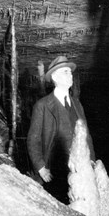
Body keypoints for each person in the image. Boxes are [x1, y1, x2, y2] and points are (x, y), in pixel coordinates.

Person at [27, 56, 94, 203]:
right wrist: (40, 167)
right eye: (65, 72)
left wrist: (92, 161)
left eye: (70, 72)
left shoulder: (77, 104)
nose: (70, 75)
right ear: (54, 77)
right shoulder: (42, 105)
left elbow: (86, 136)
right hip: (53, 171)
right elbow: (33, 139)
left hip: (78, 169)